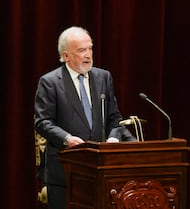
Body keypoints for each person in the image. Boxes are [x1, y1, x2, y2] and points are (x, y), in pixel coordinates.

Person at [34, 26, 136, 209]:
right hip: (65, 170)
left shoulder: (103, 77)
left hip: (99, 169)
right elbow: (43, 122)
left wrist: (113, 138)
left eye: (90, 48)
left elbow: (114, 117)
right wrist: (67, 139)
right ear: (66, 56)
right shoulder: (50, 82)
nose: (88, 55)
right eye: (81, 50)